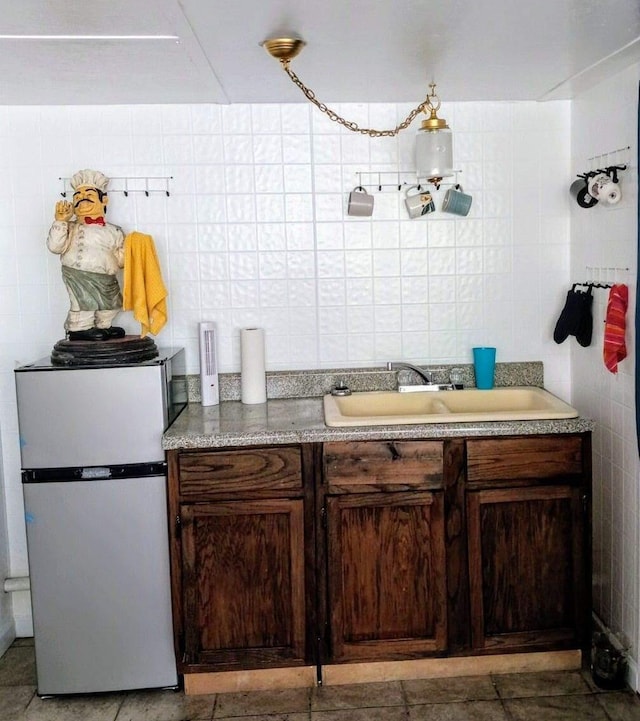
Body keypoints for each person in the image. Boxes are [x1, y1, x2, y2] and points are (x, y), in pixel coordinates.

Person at [47, 169, 126, 341]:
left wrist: (135, 248)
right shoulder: (71, 227)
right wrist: (61, 221)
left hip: (106, 276)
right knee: (84, 303)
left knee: (112, 304)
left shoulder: (115, 230)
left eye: (89, 194)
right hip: (78, 272)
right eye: (77, 196)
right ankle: (79, 328)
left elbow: (121, 259)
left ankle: (103, 325)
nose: (82, 197)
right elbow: (55, 247)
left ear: (103, 200)